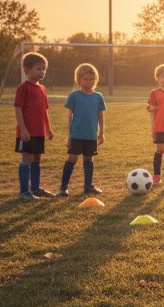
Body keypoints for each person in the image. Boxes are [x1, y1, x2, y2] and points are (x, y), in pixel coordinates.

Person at [59, 63, 107, 197]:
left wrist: (101, 133)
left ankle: (88, 187)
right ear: (78, 80)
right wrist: (69, 136)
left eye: (92, 79)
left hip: (91, 135)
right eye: (85, 79)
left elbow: (101, 116)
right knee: (72, 159)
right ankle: (63, 188)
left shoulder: (98, 96)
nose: (89, 82)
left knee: (88, 160)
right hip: (76, 135)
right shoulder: (74, 95)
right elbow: (69, 116)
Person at [14, 51, 54, 200]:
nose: (42, 71)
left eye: (44, 69)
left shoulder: (42, 88)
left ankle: (36, 189)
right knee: (27, 160)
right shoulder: (23, 88)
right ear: (27, 70)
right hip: (27, 132)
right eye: (38, 68)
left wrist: (48, 128)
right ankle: (24, 192)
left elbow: (44, 110)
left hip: (39, 132)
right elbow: (18, 108)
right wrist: (23, 129)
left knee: (37, 159)